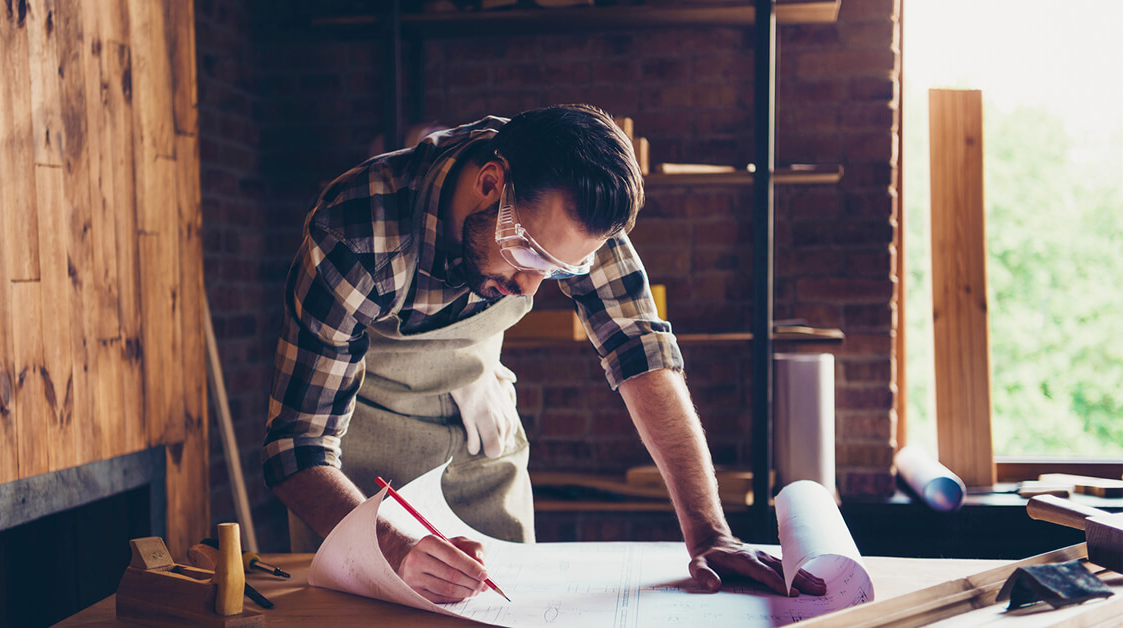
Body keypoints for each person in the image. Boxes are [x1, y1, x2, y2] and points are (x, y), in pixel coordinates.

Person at [262, 104, 825, 603]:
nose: (531, 287)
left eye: (558, 271)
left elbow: (640, 352)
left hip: (478, 436)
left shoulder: (574, 209)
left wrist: (709, 533)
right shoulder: (357, 232)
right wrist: (389, 544)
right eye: (528, 254)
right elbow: (297, 448)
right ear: (490, 184)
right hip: (360, 466)